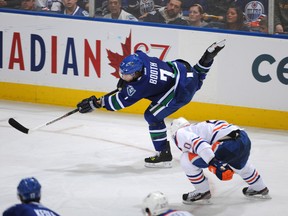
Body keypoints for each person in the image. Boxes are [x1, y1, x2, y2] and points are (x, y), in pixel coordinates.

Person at [76, 40, 226, 168]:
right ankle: (207, 58)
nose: (123, 77)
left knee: (152, 116)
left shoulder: (141, 86)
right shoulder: (140, 57)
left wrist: (97, 103)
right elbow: (136, 56)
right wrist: (126, 81)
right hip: (183, 71)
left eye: (127, 75)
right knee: (196, 78)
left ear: (137, 73)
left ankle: (163, 154)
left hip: (180, 92)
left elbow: (118, 103)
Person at [170, 117, 271, 203]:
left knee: (186, 159)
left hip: (227, 144)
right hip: (243, 138)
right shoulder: (200, 127)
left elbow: (199, 144)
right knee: (237, 162)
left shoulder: (180, 132)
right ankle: (259, 187)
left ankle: (202, 191)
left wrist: (215, 163)